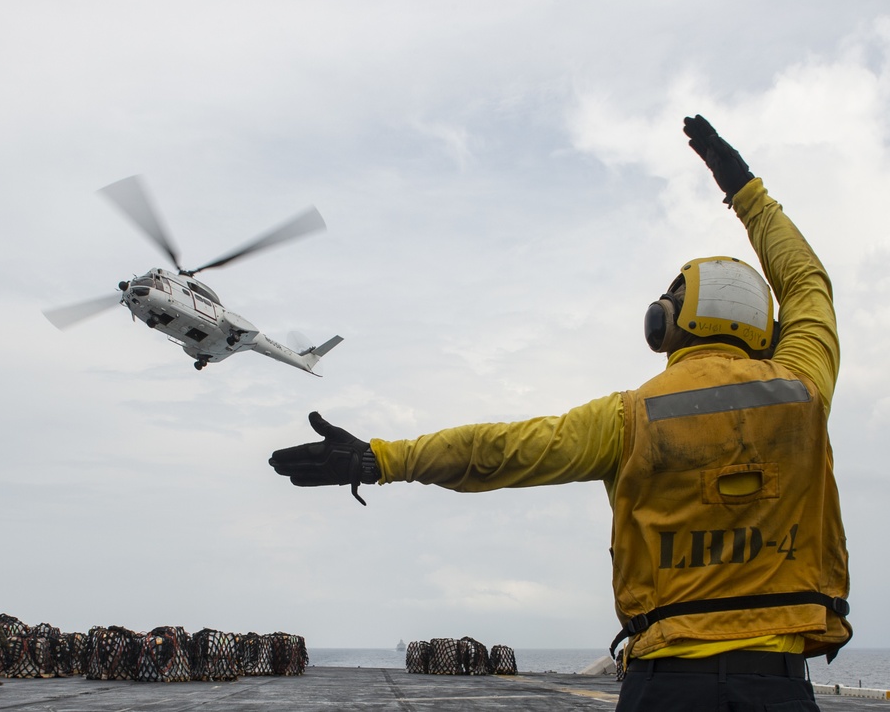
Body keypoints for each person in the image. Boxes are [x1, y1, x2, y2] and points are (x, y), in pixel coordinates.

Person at [269, 115, 851, 711]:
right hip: (777, 684)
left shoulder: (629, 418)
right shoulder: (804, 388)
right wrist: (749, 194)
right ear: (767, 331)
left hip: (666, 682)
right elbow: (807, 282)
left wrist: (382, 459)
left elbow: (495, 452)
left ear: (666, 322)